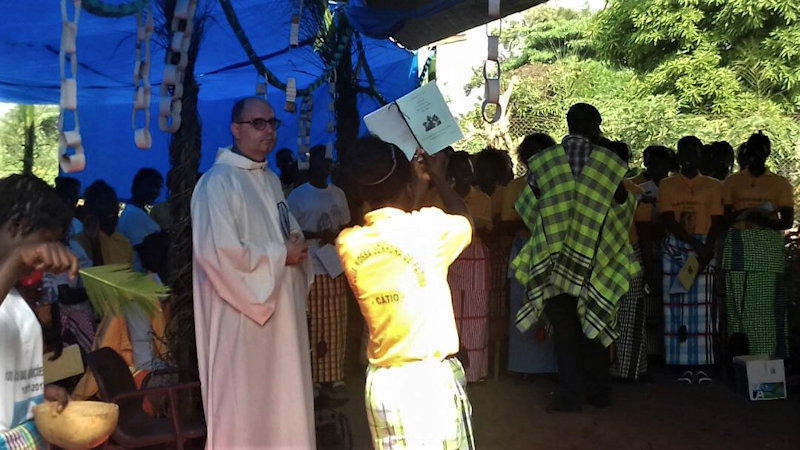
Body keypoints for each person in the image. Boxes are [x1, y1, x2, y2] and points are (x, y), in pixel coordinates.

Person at [336, 136, 475, 449]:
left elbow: (394, 228)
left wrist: (414, 187)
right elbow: (464, 221)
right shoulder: (429, 230)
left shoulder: (348, 243)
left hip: (382, 385)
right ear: (406, 185)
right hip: (430, 383)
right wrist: (437, 178)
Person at [191, 97, 314, 448]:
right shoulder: (217, 183)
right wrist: (280, 256)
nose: (269, 131)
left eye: (273, 123)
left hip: (281, 314)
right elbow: (217, 254)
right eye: (258, 123)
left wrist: (295, 246)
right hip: (243, 317)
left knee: (285, 400)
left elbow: (282, 232)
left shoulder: (271, 180)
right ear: (235, 129)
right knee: (246, 406)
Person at [512, 103, 639, 411]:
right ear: (597, 124)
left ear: (568, 125)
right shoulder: (609, 161)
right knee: (593, 325)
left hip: (555, 261)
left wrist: (555, 228)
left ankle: (571, 395)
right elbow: (623, 206)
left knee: (565, 332)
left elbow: (528, 207)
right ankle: (599, 393)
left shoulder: (544, 162)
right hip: (597, 259)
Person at [0, 174, 77, 449]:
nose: (42, 261)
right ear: (18, 227)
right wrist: (17, 260)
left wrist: (36, 395)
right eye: (42, 244)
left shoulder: (14, 296)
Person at [722, 131, 793, 358]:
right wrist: (745, 212)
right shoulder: (733, 182)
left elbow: (787, 221)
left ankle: (770, 359)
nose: (756, 156)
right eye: (752, 151)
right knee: (738, 309)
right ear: (746, 152)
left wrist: (763, 219)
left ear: (767, 153)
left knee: (766, 309)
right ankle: (739, 358)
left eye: (761, 151)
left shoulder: (780, 184)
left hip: (768, 253)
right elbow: (724, 218)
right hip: (738, 250)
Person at [659, 136, 724, 383]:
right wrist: (696, 245)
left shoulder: (715, 186)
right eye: (683, 151)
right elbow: (668, 219)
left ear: (701, 156)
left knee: (703, 310)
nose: (687, 156)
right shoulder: (667, 184)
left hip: (704, 248)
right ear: (677, 155)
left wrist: (706, 248)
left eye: (693, 151)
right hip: (677, 248)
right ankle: (680, 365)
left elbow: (717, 220)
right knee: (676, 308)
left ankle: (703, 364)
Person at [287, 144, 351, 392]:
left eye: (328, 161)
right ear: (311, 163)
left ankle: (334, 375)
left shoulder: (339, 194)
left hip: (334, 266)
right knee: (313, 323)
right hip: (311, 267)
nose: (326, 166)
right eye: (321, 161)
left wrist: (334, 235)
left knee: (336, 323)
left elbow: (346, 224)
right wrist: (316, 235)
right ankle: (312, 377)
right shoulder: (298, 196)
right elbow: (289, 231)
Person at [503, 133, 558, 376]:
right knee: (522, 305)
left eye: (541, 153)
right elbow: (505, 223)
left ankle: (551, 366)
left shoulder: (559, 185)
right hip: (523, 249)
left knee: (552, 307)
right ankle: (524, 367)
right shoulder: (514, 187)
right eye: (531, 154)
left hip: (553, 251)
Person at [446, 151, 493, 383]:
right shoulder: (436, 196)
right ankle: (449, 371)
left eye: (467, 169)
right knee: (449, 311)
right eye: (458, 169)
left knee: (477, 314)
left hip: (476, 258)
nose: (464, 174)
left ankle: (474, 372)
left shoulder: (483, 198)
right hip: (448, 258)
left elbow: (487, 230)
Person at [117, 168, 165, 370]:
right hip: (138, 283)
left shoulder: (141, 213)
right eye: (151, 184)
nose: (155, 190)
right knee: (142, 337)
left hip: (148, 283)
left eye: (158, 186)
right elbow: (147, 251)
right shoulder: (132, 216)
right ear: (137, 185)